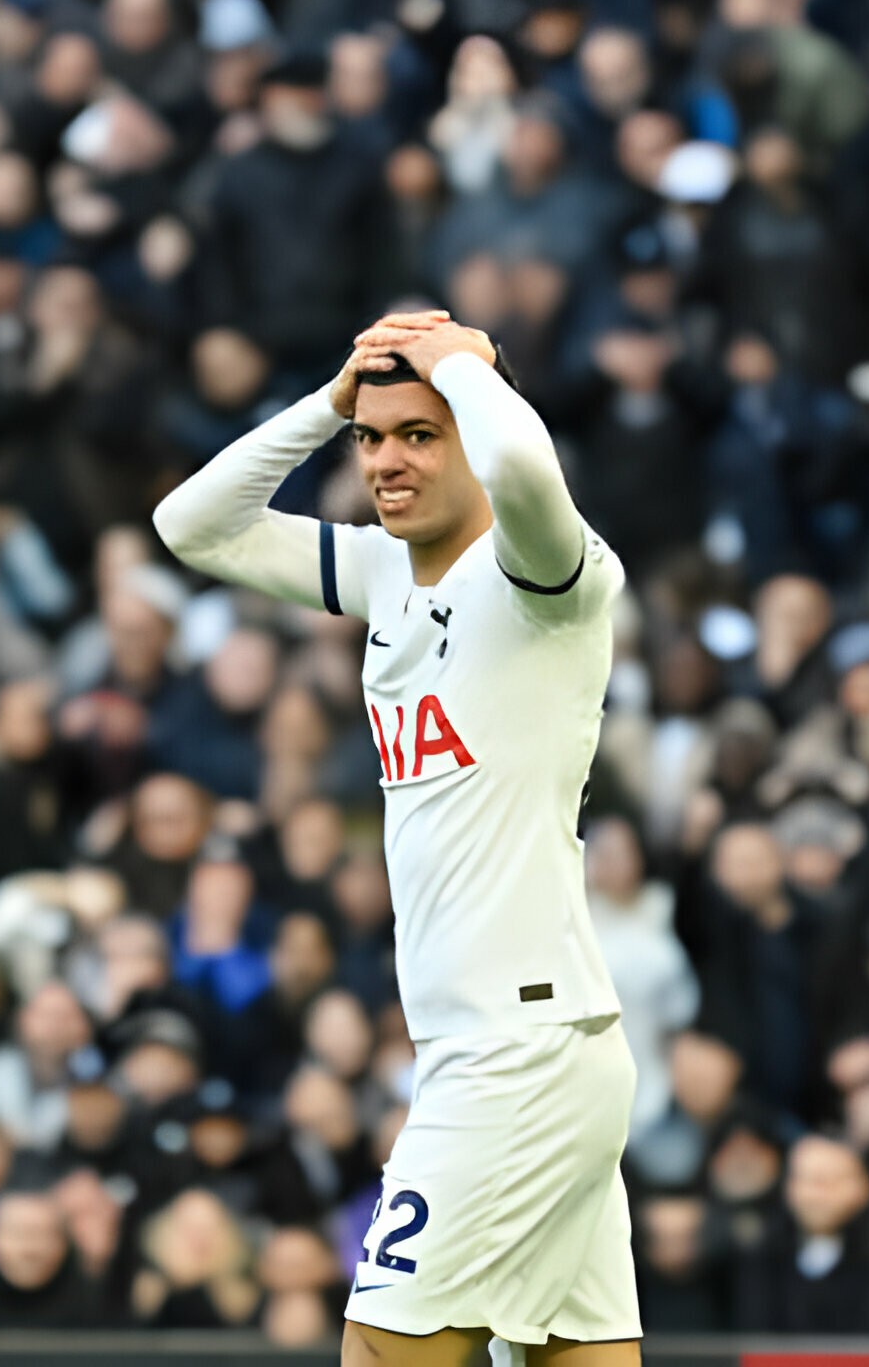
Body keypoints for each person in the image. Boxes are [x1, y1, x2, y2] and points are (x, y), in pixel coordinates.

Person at [153, 308, 637, 1366]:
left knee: (380, 1350)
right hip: (522, 1050)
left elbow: (522, 471)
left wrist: (465, 368)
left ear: (473, 424)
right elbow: (193, 525)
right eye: (375, 439)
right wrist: (332, 403)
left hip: (515, 1057)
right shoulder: (382, 575)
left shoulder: (547, 578)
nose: (386, 461)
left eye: (419, 433)